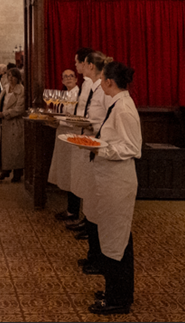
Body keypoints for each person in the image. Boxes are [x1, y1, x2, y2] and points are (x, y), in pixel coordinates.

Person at [86, 61, 141, 315]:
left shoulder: (124, 109)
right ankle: (116, 290)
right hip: (109, 180)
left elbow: (132, 148)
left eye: (102, 77)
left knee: (117, 238)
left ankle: (118, 299)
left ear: (109, 82)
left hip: (118, 182)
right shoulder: (117, 104)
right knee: (113, 236)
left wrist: (98, 148)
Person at [71, 50, 113, 253]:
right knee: (89, 196)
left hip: (98, 146)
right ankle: (91, 241)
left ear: (90, 66)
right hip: (90, 142)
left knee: (95, 201)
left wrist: (87, 124)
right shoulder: (95, 88)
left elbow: (101, 121)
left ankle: (96, 249)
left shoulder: (102, 90)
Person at [48, 68, 82, 220]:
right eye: (65, 77)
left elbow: (78, 119)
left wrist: (59, 120)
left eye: (71, 76)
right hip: (62, 137)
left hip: (74, 138)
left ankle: (73, 211)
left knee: (74, 174)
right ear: (61, 80)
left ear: (76, 79)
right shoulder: (62, 96)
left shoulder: (80, 95)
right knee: (66, 174)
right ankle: (71, 209)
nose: (68, 79)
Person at [0, 68, 26, 182]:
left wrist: (5, 114)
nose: (11, 79)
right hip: (4, 123)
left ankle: (17, 172)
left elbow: (20, 109)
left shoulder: (21, 90)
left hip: (14, 123)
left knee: (15, 149)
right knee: (5, 148)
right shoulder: (6, 88)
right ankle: (5, 170)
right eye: (9, 76)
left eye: (13, 76)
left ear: (18, 78)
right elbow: (2, 101)